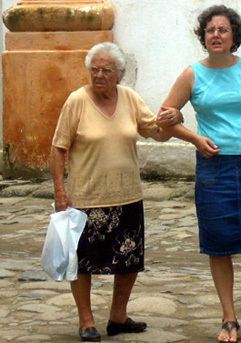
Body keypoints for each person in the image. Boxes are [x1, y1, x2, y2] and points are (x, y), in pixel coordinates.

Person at [158, 5, 241, 343]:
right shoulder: (192, 74)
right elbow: (165, 119)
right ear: (203, 37)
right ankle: (229, 317)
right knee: (219, 245)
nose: (216, 35)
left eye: (223, 30)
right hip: (213, 169)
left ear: (233, 37)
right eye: (210, 30)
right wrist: (194, 138)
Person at [50, 42, 182, 342]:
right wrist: (60, 192)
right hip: (87, 198)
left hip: (127, 196)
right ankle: (86, 320)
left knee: (129, 260)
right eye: (94, 69)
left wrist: (174, 120)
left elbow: (157, 132)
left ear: (119, 74)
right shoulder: (76, 101)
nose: (99, 75)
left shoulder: (130, 98)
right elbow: (58, 148)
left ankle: (118, 316)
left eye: (106, 70)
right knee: (83, 262)